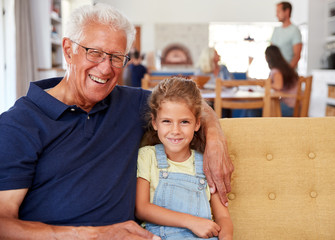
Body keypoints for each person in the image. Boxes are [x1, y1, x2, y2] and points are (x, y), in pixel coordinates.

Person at [0, 3, 233, 239]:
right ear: (68, 50)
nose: (105, 68)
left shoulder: (131, 103)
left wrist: (214, 137)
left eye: (116, 57)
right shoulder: (19, 123)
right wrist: (94, 235)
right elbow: (3, 224)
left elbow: (188, 104)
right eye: (95, 52)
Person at [136, 77, 233, 239]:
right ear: (154, 123)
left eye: (184, 122)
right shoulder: (148, 156)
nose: (175, 130)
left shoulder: (206, 163)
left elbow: (223, 218)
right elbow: (142, 208)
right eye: (167, 121)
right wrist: (191, 222)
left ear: (197, 124)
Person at [265, 45, 298, 117]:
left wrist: (265, 84)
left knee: (255, 108)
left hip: (288, 108)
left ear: (267, 57)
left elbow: (278, 86)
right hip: (295, 107)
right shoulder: (285, 68)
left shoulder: (276, 71)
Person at [271, 1, 302, 69]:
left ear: (287, 11)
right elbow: (271, 52)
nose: (276, 15)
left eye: (279, 12)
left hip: (289, 75)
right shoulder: (276, 30)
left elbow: (297, 56)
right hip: (276, 73)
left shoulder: (294, 30)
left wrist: (287, 72)